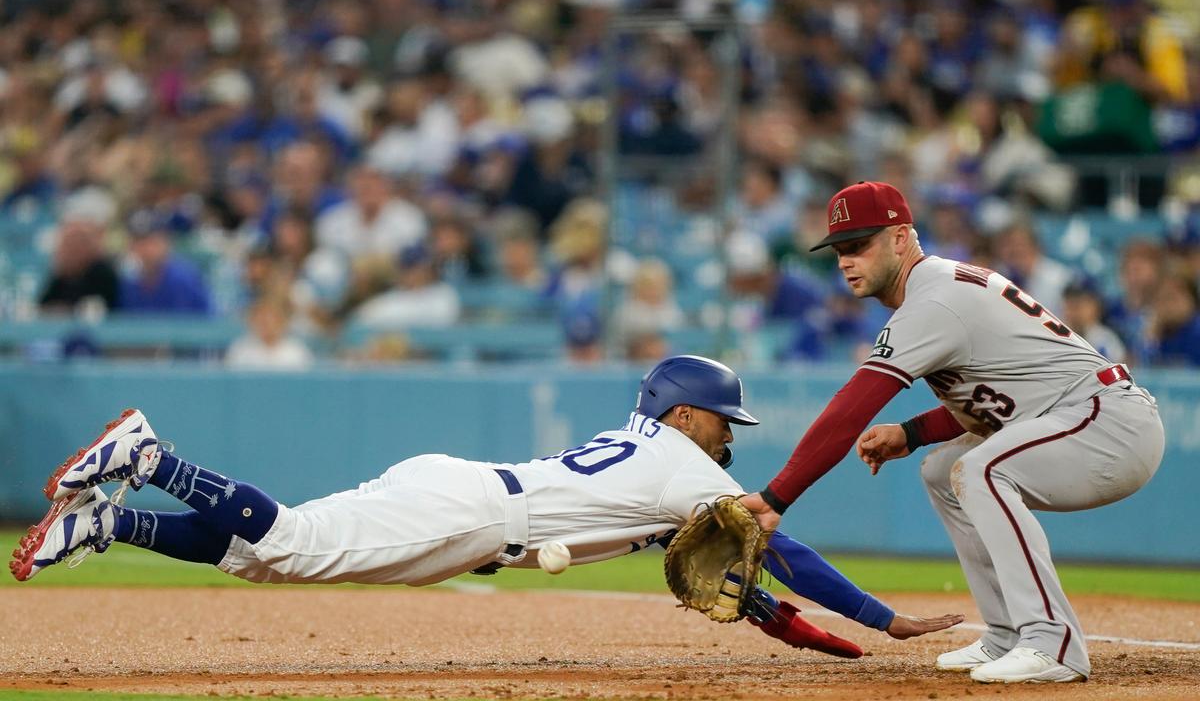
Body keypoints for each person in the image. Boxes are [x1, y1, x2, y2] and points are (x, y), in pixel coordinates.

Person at [11, 355, 960, 656]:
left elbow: (745, 582)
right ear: (685, 413)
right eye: (723, 419)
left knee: (256, 557)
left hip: (459, 496)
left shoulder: (656, 456)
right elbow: (781, 552)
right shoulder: (685, 464)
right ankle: (151, 457)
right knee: (289, 540)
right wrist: (883, 621)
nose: (730, 434)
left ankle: (112, 520)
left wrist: (817, 640)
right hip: (471, 519)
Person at [740, 182, 1165, 684]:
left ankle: (1053, 643)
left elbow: (851, 407)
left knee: (982, 469)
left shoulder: (934, 300)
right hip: (1073, 415)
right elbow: (1002, 398)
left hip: (1108, 422)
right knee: (943, 471)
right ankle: (1008, 633)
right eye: (839, 250)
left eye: (859, 245)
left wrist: (778, 496)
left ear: (901, 238)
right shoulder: (940, 288)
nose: (846, 261)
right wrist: (913, 432)